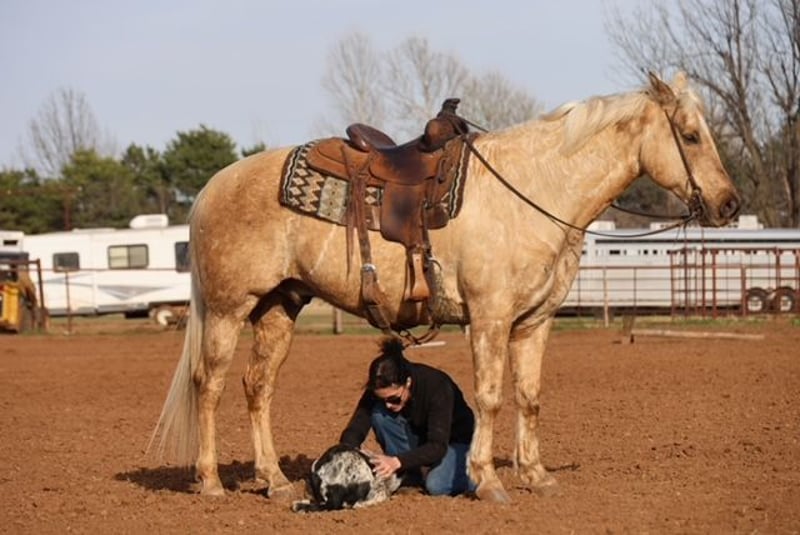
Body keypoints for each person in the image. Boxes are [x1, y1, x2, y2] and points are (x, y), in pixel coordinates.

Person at [339, 337, 476, 497]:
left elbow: (438, 445)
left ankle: (476, 473)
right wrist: (345, 451)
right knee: (379, 415)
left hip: (454, 442)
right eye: (383, 400)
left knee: (436, 486)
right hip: (422, 437)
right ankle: (411, 475)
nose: (388, 405)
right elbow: (358, 424)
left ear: (408, 382)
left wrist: (397, 461)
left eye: (394, 399)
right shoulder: (382, 386)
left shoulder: (437, 386)